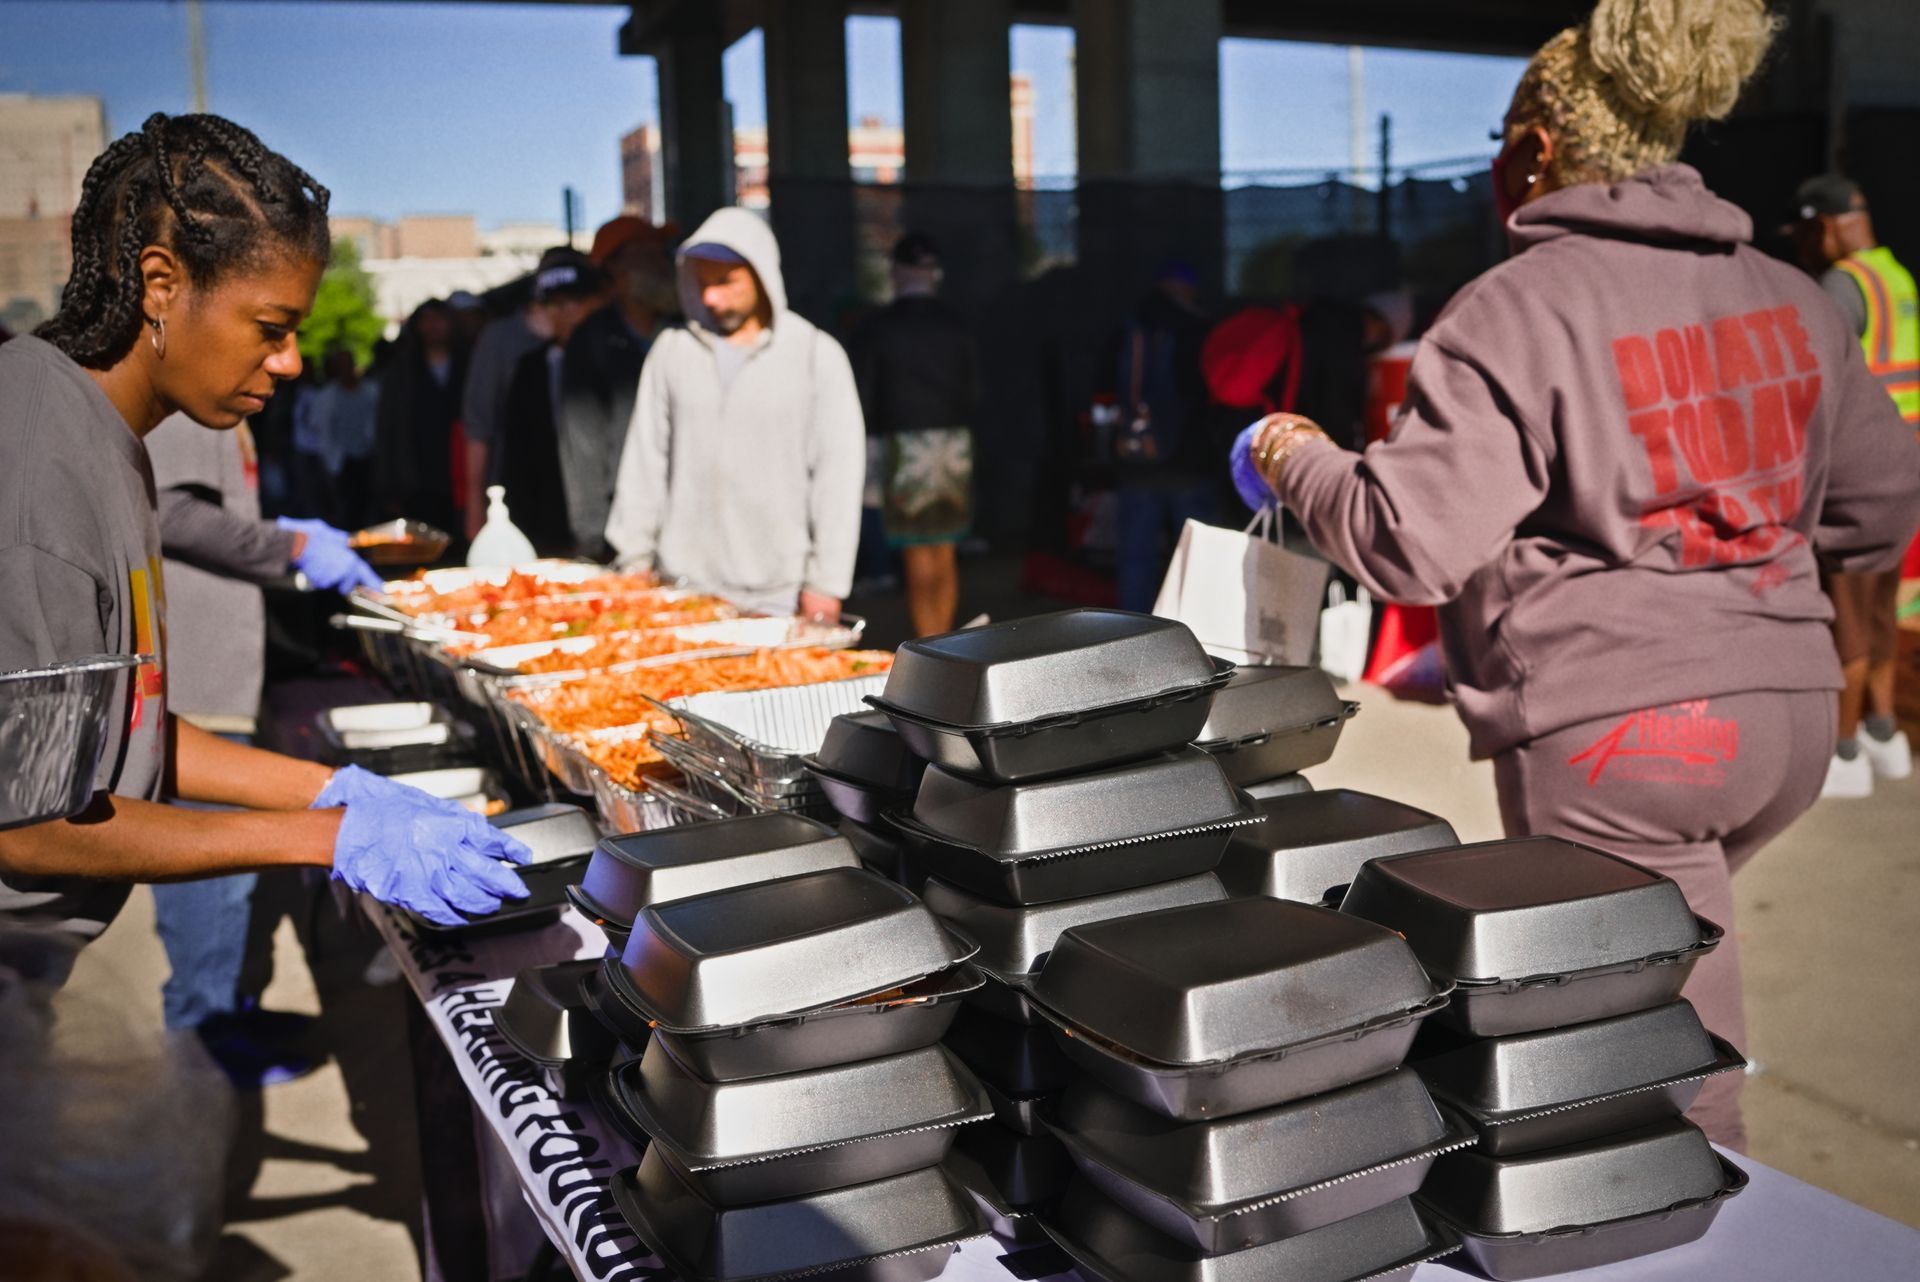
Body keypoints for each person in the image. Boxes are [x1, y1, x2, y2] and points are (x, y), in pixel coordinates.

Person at [1231, 0, 1920, 1150]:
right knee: (1660, 969)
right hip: (1786, 723)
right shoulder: (1794, 300)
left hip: (1628, 738)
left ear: (1537, 152)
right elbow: (1883, 502)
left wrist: (1291, 455)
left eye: (1503, 142)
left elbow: (1409, 539)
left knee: (1656, 1064)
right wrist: (1839, 637)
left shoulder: (1514, 311)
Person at [0, 112, 530, 978]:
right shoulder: (37, 464)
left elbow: (109, 735)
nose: (289, 362)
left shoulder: (103, 433)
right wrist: (324, 837)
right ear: (160, 283)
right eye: (271, 327)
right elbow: (33, 824)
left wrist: (330, 790)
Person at [147, 411, 382, 1085]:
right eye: (270, 330)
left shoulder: (219, 403)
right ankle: (200, 1038)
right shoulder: (185, 404)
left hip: (221, 670)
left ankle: (230, 1011)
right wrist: (291, 546)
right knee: (208, 877)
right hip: (196, 675)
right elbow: (168, 510)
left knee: (234, 887)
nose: (287, 360)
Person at [604, 208, 865, 618]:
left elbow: (838, 476)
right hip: (681, 590)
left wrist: (827, 583)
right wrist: (633, 560)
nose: (711, 297)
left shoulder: (815, 355)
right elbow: (645, 460)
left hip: (780, 593)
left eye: (725, 282)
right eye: (701, 283)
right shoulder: (672, 352)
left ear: (762, 275)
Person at [1789, 174, 1919, 797]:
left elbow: (1808, 381)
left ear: (1824, 225)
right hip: (1905, 465)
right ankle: (1883, 730)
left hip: (1856, 471)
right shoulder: (1895, 277)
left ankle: (1842, 753)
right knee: (1881, 608)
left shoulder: (1841, 285)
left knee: (1845, 612)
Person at [851, 233, 979, 636]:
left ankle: (931, 642)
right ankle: (942, 637)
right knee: (944, 549)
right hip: (954, 443)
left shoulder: (877, 327)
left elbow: (864, 391)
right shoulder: (959, 324)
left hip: (903, 446)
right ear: (935, 274)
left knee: (917, 552)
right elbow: (977, 390)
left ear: (895, 271)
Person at [559, 216, 679, 561]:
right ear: (618, 268)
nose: (664, 264)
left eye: (664, 253)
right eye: (651, 254)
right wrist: (594, 538)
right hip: (622, 528)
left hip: (688, 523)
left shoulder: (685, 332)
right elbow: (582, 444)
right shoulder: (591, 341)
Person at [1105, 262, 1218, 613]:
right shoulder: (1200, 329)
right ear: (1189, 288)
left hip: (1137, 461)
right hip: (1189, 463)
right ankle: (1201, 636)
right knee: (1198, 560)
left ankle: (1133, 635)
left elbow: (1105, 388)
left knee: (1136, 560)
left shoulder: (1130, 327)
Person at [493, 248, 608, 557]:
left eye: (574, 302)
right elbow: (516, 458)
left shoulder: (620, 360)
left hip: (611, 525)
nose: (564, 313)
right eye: (553, 305)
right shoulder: (529, 369)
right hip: (547, 524)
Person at [460, 288, 549, 541]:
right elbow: (478, 426)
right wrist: (475, 503)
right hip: (516, 490)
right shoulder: (500, 340)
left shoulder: (585, 336)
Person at [372, 297, 465, 535]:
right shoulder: (402, 370)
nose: (434, 326)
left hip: (461, 470)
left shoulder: (468, 364)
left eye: (439, 319)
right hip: (417, 474)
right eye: (427, 320)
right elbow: (387, 427)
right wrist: (389, 486)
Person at [291, 345, 379, 529]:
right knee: (344, 507)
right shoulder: (326, 396)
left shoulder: (372, 391)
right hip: (342, 460)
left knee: (369, 505)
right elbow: (318, 426)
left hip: (368, 456)